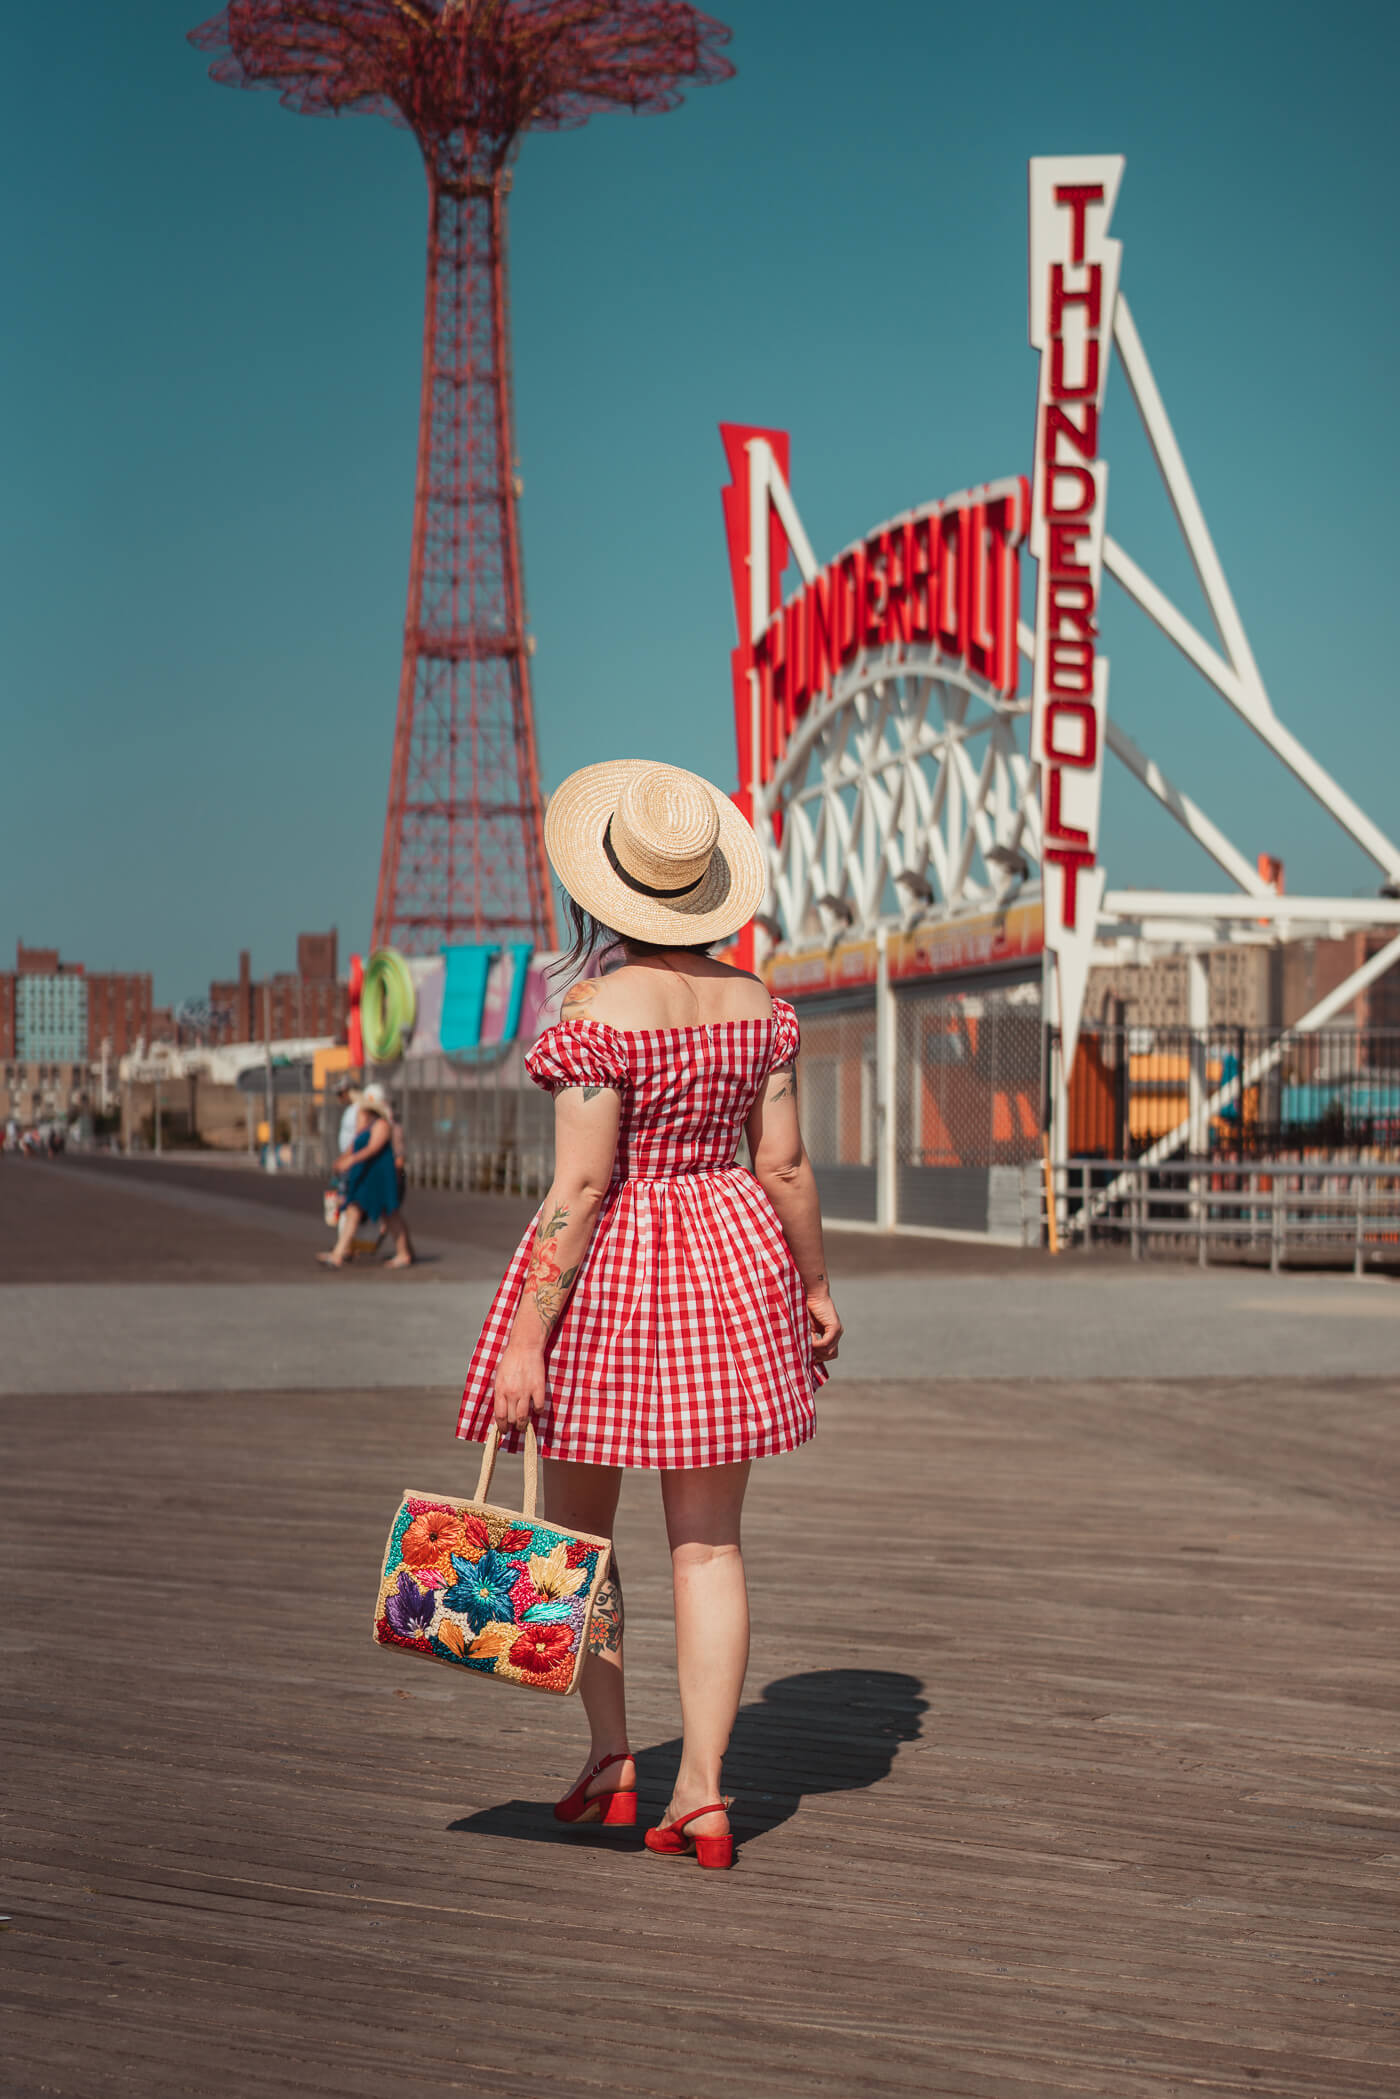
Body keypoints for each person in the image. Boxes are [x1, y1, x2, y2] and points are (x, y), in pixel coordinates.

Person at [457, 760, 842, 1870]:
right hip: (728, 1260)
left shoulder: (590, 1014)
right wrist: (813, 1286)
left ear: (606, 890)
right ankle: (708, 1795)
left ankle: (616, 1755)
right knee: (710, 1547)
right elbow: (784, 1164)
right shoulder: (762, 1008)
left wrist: (525, 1341)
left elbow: (577, 1191)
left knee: (578, 1541)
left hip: (617, 1278)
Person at [318, 1084, 415, 1269]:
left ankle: (404, 1253)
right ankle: (338, 1253)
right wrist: (343, 1159)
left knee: (389, 1214)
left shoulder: (382, 1125)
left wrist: (350, 1160)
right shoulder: (365, 1126)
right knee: (354, 1211)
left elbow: (372, 1148)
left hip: (379, 1176)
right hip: (366, 1175)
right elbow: (355, 1145)